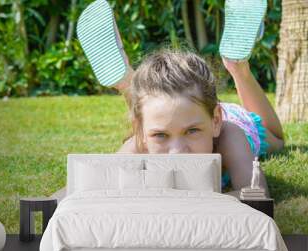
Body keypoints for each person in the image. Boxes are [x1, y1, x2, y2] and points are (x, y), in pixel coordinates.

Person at [76, 0, 284, 195]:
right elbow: (89, 189)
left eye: (192, 131)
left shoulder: (230, 135)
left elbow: (256, 196)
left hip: (231, 117)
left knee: (277, 140)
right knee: (150, 109)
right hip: (187, 109)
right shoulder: (139, 142)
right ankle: (130, 84)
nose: (177, 153)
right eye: (160, 136)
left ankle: (238, 67)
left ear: (216, 121)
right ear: (140, 133)